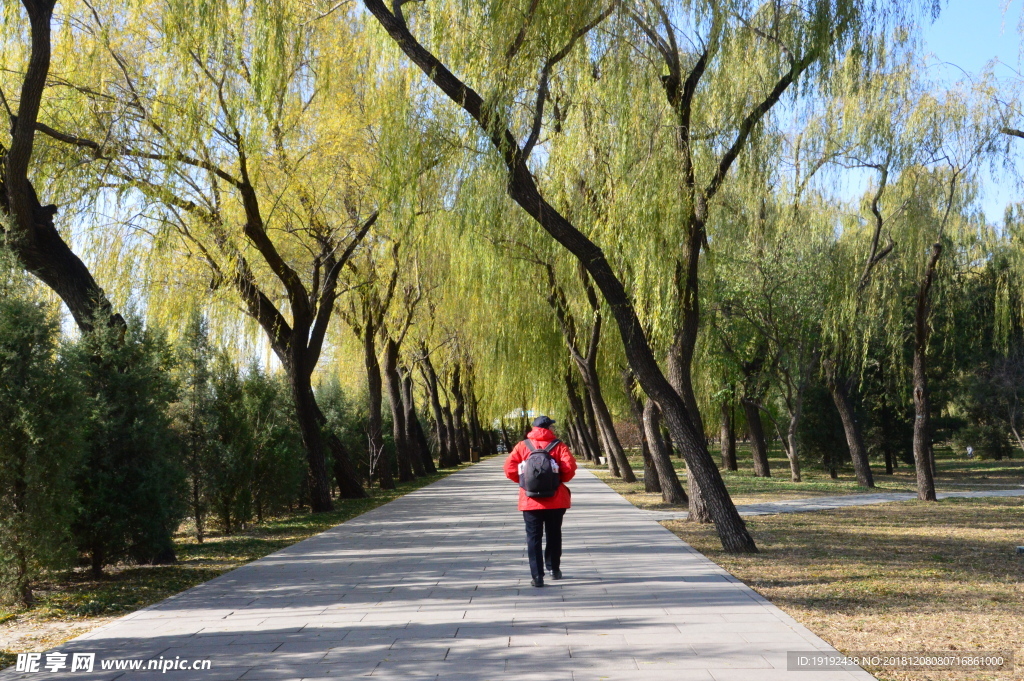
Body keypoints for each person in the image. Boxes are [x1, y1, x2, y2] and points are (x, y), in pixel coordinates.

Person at [504, 415, 578, 587]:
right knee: (554, 534)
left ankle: (537, 576)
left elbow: (509, 469)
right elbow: (569, 469)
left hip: (530, 499)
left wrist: (525, 482)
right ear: (549, 428)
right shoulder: (559, 446)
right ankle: (554, 569)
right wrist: (557, 481)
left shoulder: (522, 446)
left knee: (534, 537)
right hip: (555, 499)